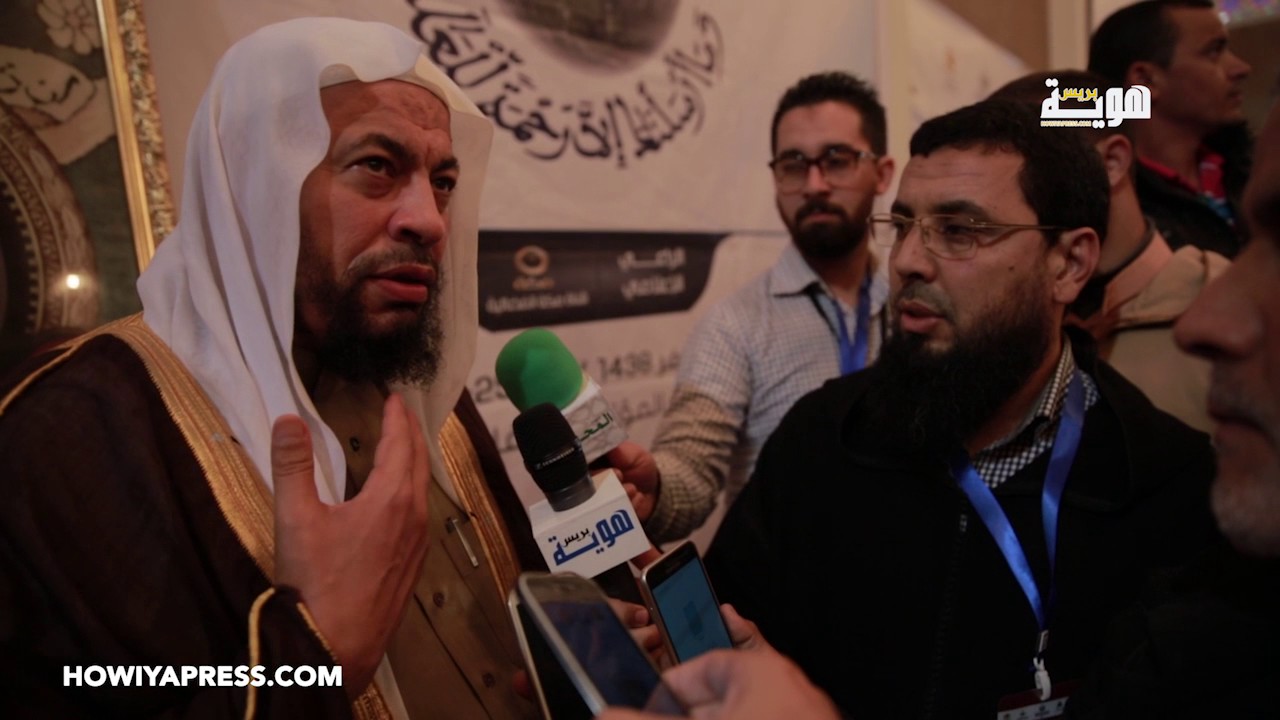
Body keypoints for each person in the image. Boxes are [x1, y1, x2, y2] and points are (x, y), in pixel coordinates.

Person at [0, 18, 544, 718]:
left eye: (442, 181)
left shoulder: (412, 380)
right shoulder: (72, 431)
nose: (430, 220)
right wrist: (313, 664)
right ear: (255, 181)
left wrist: (563, 649)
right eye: (378, 166)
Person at [703, 99, 1217, 718]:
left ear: (1069, 263)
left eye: (959, 230)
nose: (908, 261)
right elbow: (726, 633)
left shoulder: (1167, 485)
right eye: (903, 225)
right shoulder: (821, 437)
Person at [628, 71, 895, 544]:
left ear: (882, 173)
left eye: (836, 160)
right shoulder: (734, 326)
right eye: (793, 165)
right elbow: (691, 459)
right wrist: (657, 491)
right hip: (788, 585)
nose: (814, 185)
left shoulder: (915, 305)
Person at [991, 69, 1229, 433]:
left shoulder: (1234, 311)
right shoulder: (1002, 315)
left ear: (1112, 161)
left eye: (1028, 160)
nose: (999, 192)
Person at [1088, 0, 1252, 258]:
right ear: (1145, 80)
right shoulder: (1110, 207)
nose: (1241, 68)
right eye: (1214, 51)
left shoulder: (1251, 170)